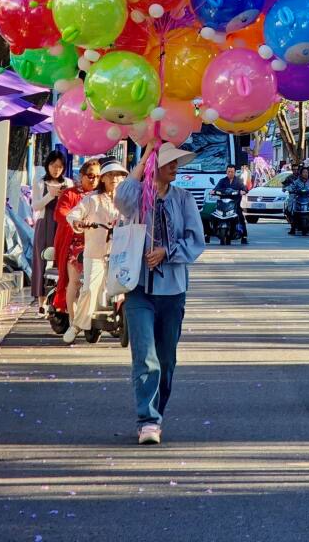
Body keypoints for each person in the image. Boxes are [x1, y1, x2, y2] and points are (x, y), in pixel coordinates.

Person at [116, 140, 205, 445]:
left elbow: (196, 241)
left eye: (176, 162)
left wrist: (167, 252)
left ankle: (157, 412)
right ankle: (148, 419)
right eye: (169, 162)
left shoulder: (184, 199)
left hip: (172, 290)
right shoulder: (138, 196)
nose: (175, 167)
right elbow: (120, 199)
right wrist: (144, 160)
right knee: (146, 357)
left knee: (166, 360)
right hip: (139, 289)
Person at [63, 159, 127, 343]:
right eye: (110, 175)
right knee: (90, 289)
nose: (115, 179)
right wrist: (78, 222)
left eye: (118, 175)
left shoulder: (125, 200)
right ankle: (76, 325)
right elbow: (74, 214)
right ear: (103, 178)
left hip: (119, 254)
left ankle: (124, 321)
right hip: (95, 252)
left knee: (124, 288)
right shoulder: (92, 199)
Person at [52, 158, 101, 318]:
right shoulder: (70, 194)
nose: (94, 180)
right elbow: (61, 213)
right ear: (82, 175)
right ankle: (73, 321)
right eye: (91, 175)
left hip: (100, 244)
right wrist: (77, 222)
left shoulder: (104, 196)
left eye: (99, 176)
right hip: (75, 245)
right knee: (75, 281)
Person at [31, 151, 68, 311]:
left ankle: (59, 299)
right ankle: (41, 302)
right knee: (42, 260)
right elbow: (36, 206)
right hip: (44, 224)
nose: (56, 169)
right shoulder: (40, 182)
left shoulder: (68, 183)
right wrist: (51, 195)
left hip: (62, 225)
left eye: (60, 166)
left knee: (61, 260)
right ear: (48, 166)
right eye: (53, 165)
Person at [213, 162, 249, 244]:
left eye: (232, 172)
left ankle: (244, 236)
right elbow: (216, 188)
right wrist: (213, 191)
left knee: (240, 216)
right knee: (213, 215)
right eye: (228, 171)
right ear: (226, 172)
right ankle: (208, 233)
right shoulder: (222, 181)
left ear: (235, 172)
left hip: (234, 204)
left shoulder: (239, 181)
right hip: (223, 205)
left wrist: (243, 191)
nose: (230, 173)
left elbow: (244, 188)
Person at [285, 162, 309, 234]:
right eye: (304, 172)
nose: (306, 174)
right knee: (295, 213)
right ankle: (292, 229)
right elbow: (291, 187)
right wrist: (288, 189)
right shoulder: (297, 182)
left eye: (307, 172)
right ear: (301, 173)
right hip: (299, 200)